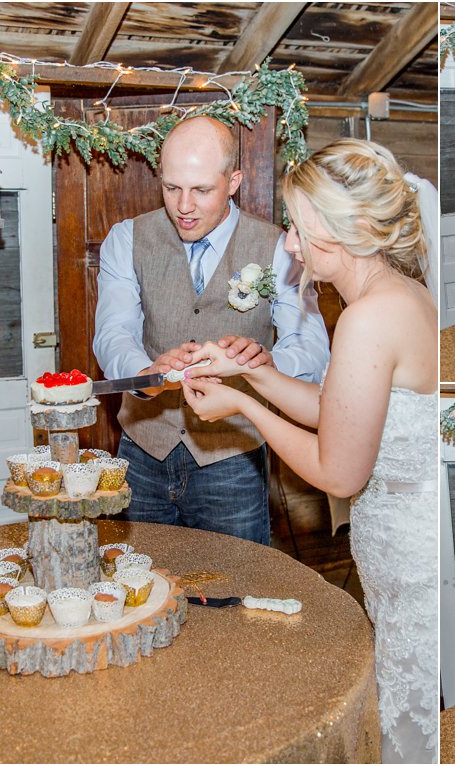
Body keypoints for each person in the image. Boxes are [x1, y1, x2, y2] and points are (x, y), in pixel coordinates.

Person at [179, 138, 438, 764]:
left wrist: (241, 409)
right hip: (407, 552)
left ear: (342, 229)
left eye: (299, 227)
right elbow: (339, 410)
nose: (290, 244)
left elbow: (340, 471)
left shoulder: (369, 316)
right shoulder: (401, 294)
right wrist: (249, 375)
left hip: (411, 560)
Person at [93, 116, 330, 546]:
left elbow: (311, 348)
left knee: (236, 590)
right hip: (142, 451)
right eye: (171, 187)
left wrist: (266, 362)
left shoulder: (280, 247)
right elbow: (113, 333)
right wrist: (148, 373)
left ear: (233, 180)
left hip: (233, 457)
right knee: (140, 586)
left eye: (201, 190)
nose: (184, 205)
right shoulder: (126, 239)